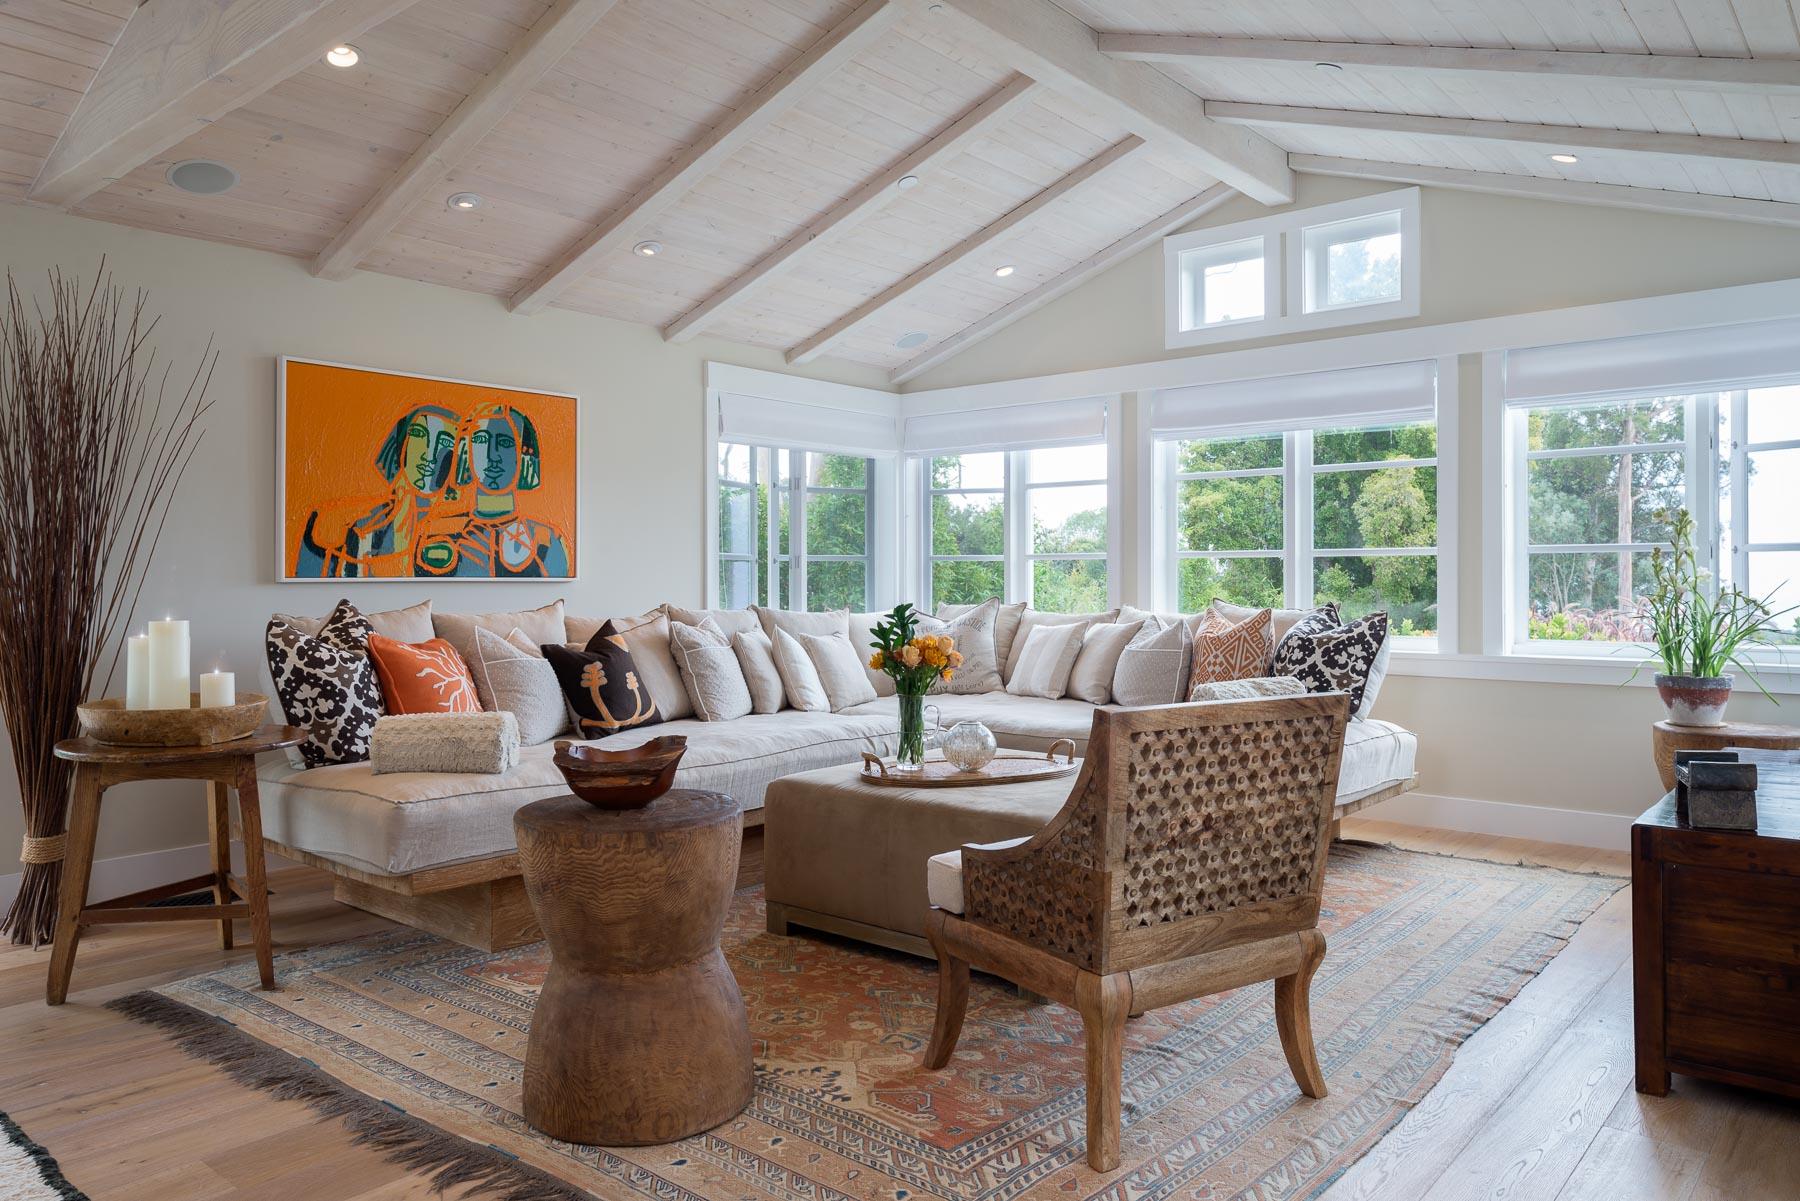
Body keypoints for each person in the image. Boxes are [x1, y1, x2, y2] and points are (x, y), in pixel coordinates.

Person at [292, 404, 458, 577]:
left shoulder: (462, 530)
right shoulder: (348, 524)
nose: (429, 455)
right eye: (418, 434)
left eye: (446, 441)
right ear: (400, 442)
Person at [414, 401, 571, 578]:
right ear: (466, 450)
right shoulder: (436, 531)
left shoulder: (547, 541)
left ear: (523, 455)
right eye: (481, 440)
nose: (492, 455)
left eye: (505, 443)